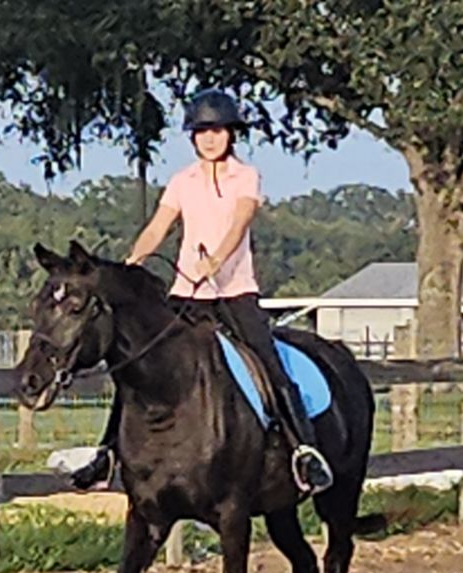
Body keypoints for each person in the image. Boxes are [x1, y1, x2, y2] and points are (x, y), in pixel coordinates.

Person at [71, 87, 333, 495]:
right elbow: (160, 226)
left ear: (232, 134)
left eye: (218, 130)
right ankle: (106, 454)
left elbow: (240, 221)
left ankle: (303, 450)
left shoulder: (245, 177)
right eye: (202, 131)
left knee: (268, 362)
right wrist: (132, 262)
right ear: (192, 136)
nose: (210, 138)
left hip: (235, 292)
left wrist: (217, 261)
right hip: (186, 295)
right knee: (136, 368)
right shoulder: (182, 181)